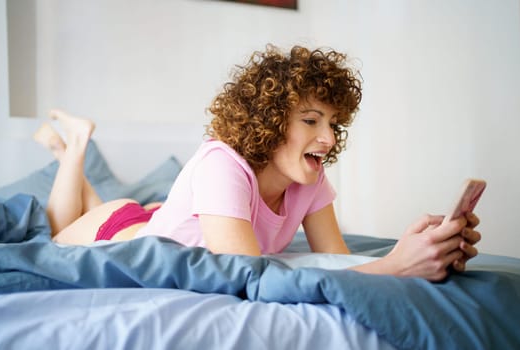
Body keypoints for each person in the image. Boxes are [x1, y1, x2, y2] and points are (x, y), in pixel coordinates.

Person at [38, 45, 481, 282]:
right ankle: (74, 147)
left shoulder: (308, 176)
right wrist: (394, 266)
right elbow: (247, 277)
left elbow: (337, 263)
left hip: (154, 217)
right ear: (269, 120)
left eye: (333, 123)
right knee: (58, 230)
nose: (328, 138)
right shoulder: (220, 165)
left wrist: (412, 253)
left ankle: (72, 153)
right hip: (118, 229)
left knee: (104, 202)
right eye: (311, 120)